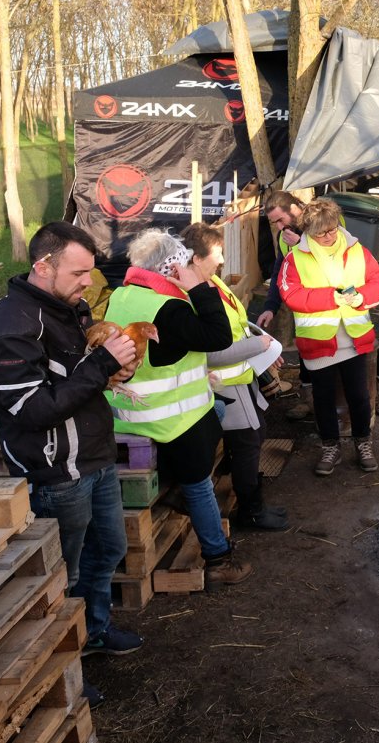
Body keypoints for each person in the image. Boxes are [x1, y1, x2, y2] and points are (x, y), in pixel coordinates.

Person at [0, 222, 142, 708]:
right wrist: (103, 365)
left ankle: (93, 632)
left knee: (107, 549)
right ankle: (61, 666)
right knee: (59, 577)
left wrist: (112, 369)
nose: (89, 282)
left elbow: (76, 377)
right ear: (43, 266)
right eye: (79, 272)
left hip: (94, 457)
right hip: (56, 473)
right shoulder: (10, 332)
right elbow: (35, 411)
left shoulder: (68, 307)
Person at [104, 228, 253, 587]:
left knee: (217, 410)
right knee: (199, 482)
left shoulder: (123, 295)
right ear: (171, 267)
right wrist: (200, 289)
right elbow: (218, 336)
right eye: (183, 262)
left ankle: (173, 487)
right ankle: (218, 558)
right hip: (170, 419)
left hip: (127, 413)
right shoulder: (168, 306)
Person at [182, 222, 289, 531]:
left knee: (254, 436)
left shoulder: (213, 282)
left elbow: (237, 327)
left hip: (240, 380)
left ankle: (253, 506)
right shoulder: (192, 297)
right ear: (196, 258)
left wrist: (264, 350)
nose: (222, 260)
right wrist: (257, 345)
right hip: (223, 385)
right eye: (217, 253)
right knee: (248, 443)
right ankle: (252, 512)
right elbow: (208, 352)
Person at [259, 191, 379, 416]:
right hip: (313, 307)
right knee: (308, 343)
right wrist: (270, 307)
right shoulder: (284, 237)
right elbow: (279, 272)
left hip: (348, 302)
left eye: (280, 220)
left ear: (294, 210)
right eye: (273, 222)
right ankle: (308, 397)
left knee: (365, 341)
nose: (277, 226)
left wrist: (304, 242)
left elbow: (341, 244)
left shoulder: (325, 218)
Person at [281, 198, 379, 476]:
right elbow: (291, 295)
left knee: (359, 395)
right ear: (309, 231)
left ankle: (363, 443)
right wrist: (333, 298)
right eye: (321, 233)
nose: (329, 236)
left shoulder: (357, 249)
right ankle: (330, 447)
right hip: (318, 342)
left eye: (332, 229)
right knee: (324, 398)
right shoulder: (295, 258)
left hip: (354, 339)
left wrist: (362, 297)